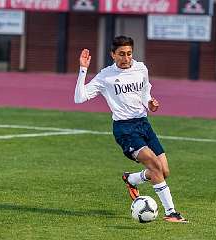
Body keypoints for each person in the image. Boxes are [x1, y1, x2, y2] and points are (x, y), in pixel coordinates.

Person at [74, 36, 187, 223]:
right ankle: (171, 213)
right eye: (121, 54)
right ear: (112, 55)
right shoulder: (105, 76)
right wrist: (83, 69)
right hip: (125, 129)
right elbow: (79, 97)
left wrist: (150, 103)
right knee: (154, 165)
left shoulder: (141, 68)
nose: (126, 58)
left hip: (144, 124)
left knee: (163, 171)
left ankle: (132, 179)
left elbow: (145, 94)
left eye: (129, 54)